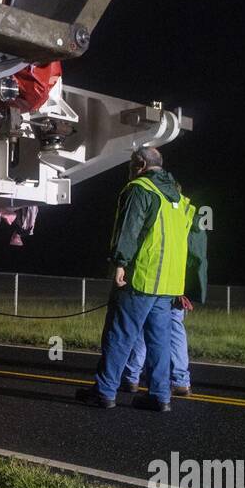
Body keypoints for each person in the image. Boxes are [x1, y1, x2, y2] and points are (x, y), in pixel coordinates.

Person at [76, 145, 207, 411]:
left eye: (131, 165)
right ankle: (160, 396)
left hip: (142, 279)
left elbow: (129, 227)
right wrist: (190, 283)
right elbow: (196, 244)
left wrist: (120, 262)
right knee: (159, 341)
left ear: (139, 164)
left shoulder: (141, 189)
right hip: (169, 284)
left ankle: (104, 391)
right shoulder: (180, 201)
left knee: (120, 335)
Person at [121, 294, 193, 396]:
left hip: (153, 288)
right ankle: (180, 381)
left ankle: (131, 377)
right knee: (175, 328)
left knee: (143, 324)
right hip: (177, 287)